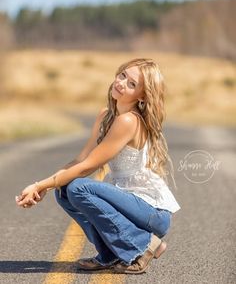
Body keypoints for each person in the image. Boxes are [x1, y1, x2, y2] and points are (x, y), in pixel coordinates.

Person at [15, 58, 181, 275]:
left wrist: (38, 185)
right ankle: (110, 254)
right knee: (64, 190)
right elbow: (80, 159)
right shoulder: (106, 115)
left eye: (132, 84)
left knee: (79, 187)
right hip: (127, 201)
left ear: (142, 96)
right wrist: (45, 186)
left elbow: (87, 167)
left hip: (151, 211)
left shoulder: (129, 121)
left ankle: (143, 244)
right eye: (123, 75)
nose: (121, 83)